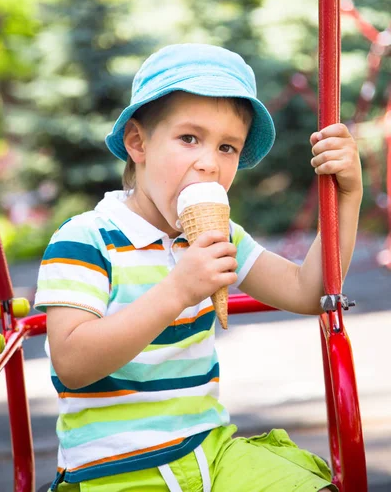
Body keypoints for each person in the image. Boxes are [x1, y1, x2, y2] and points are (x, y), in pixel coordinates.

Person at [34, 43, 363, 492]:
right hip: (115, 470)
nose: (210, 162)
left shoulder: (221, 234)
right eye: (189, 138)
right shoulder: (86, 238)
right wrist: (178, 290)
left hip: (211, 451)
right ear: (138, 142)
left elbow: (309, 292)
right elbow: (71, 363)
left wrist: (346, 197)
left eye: (228, 147)